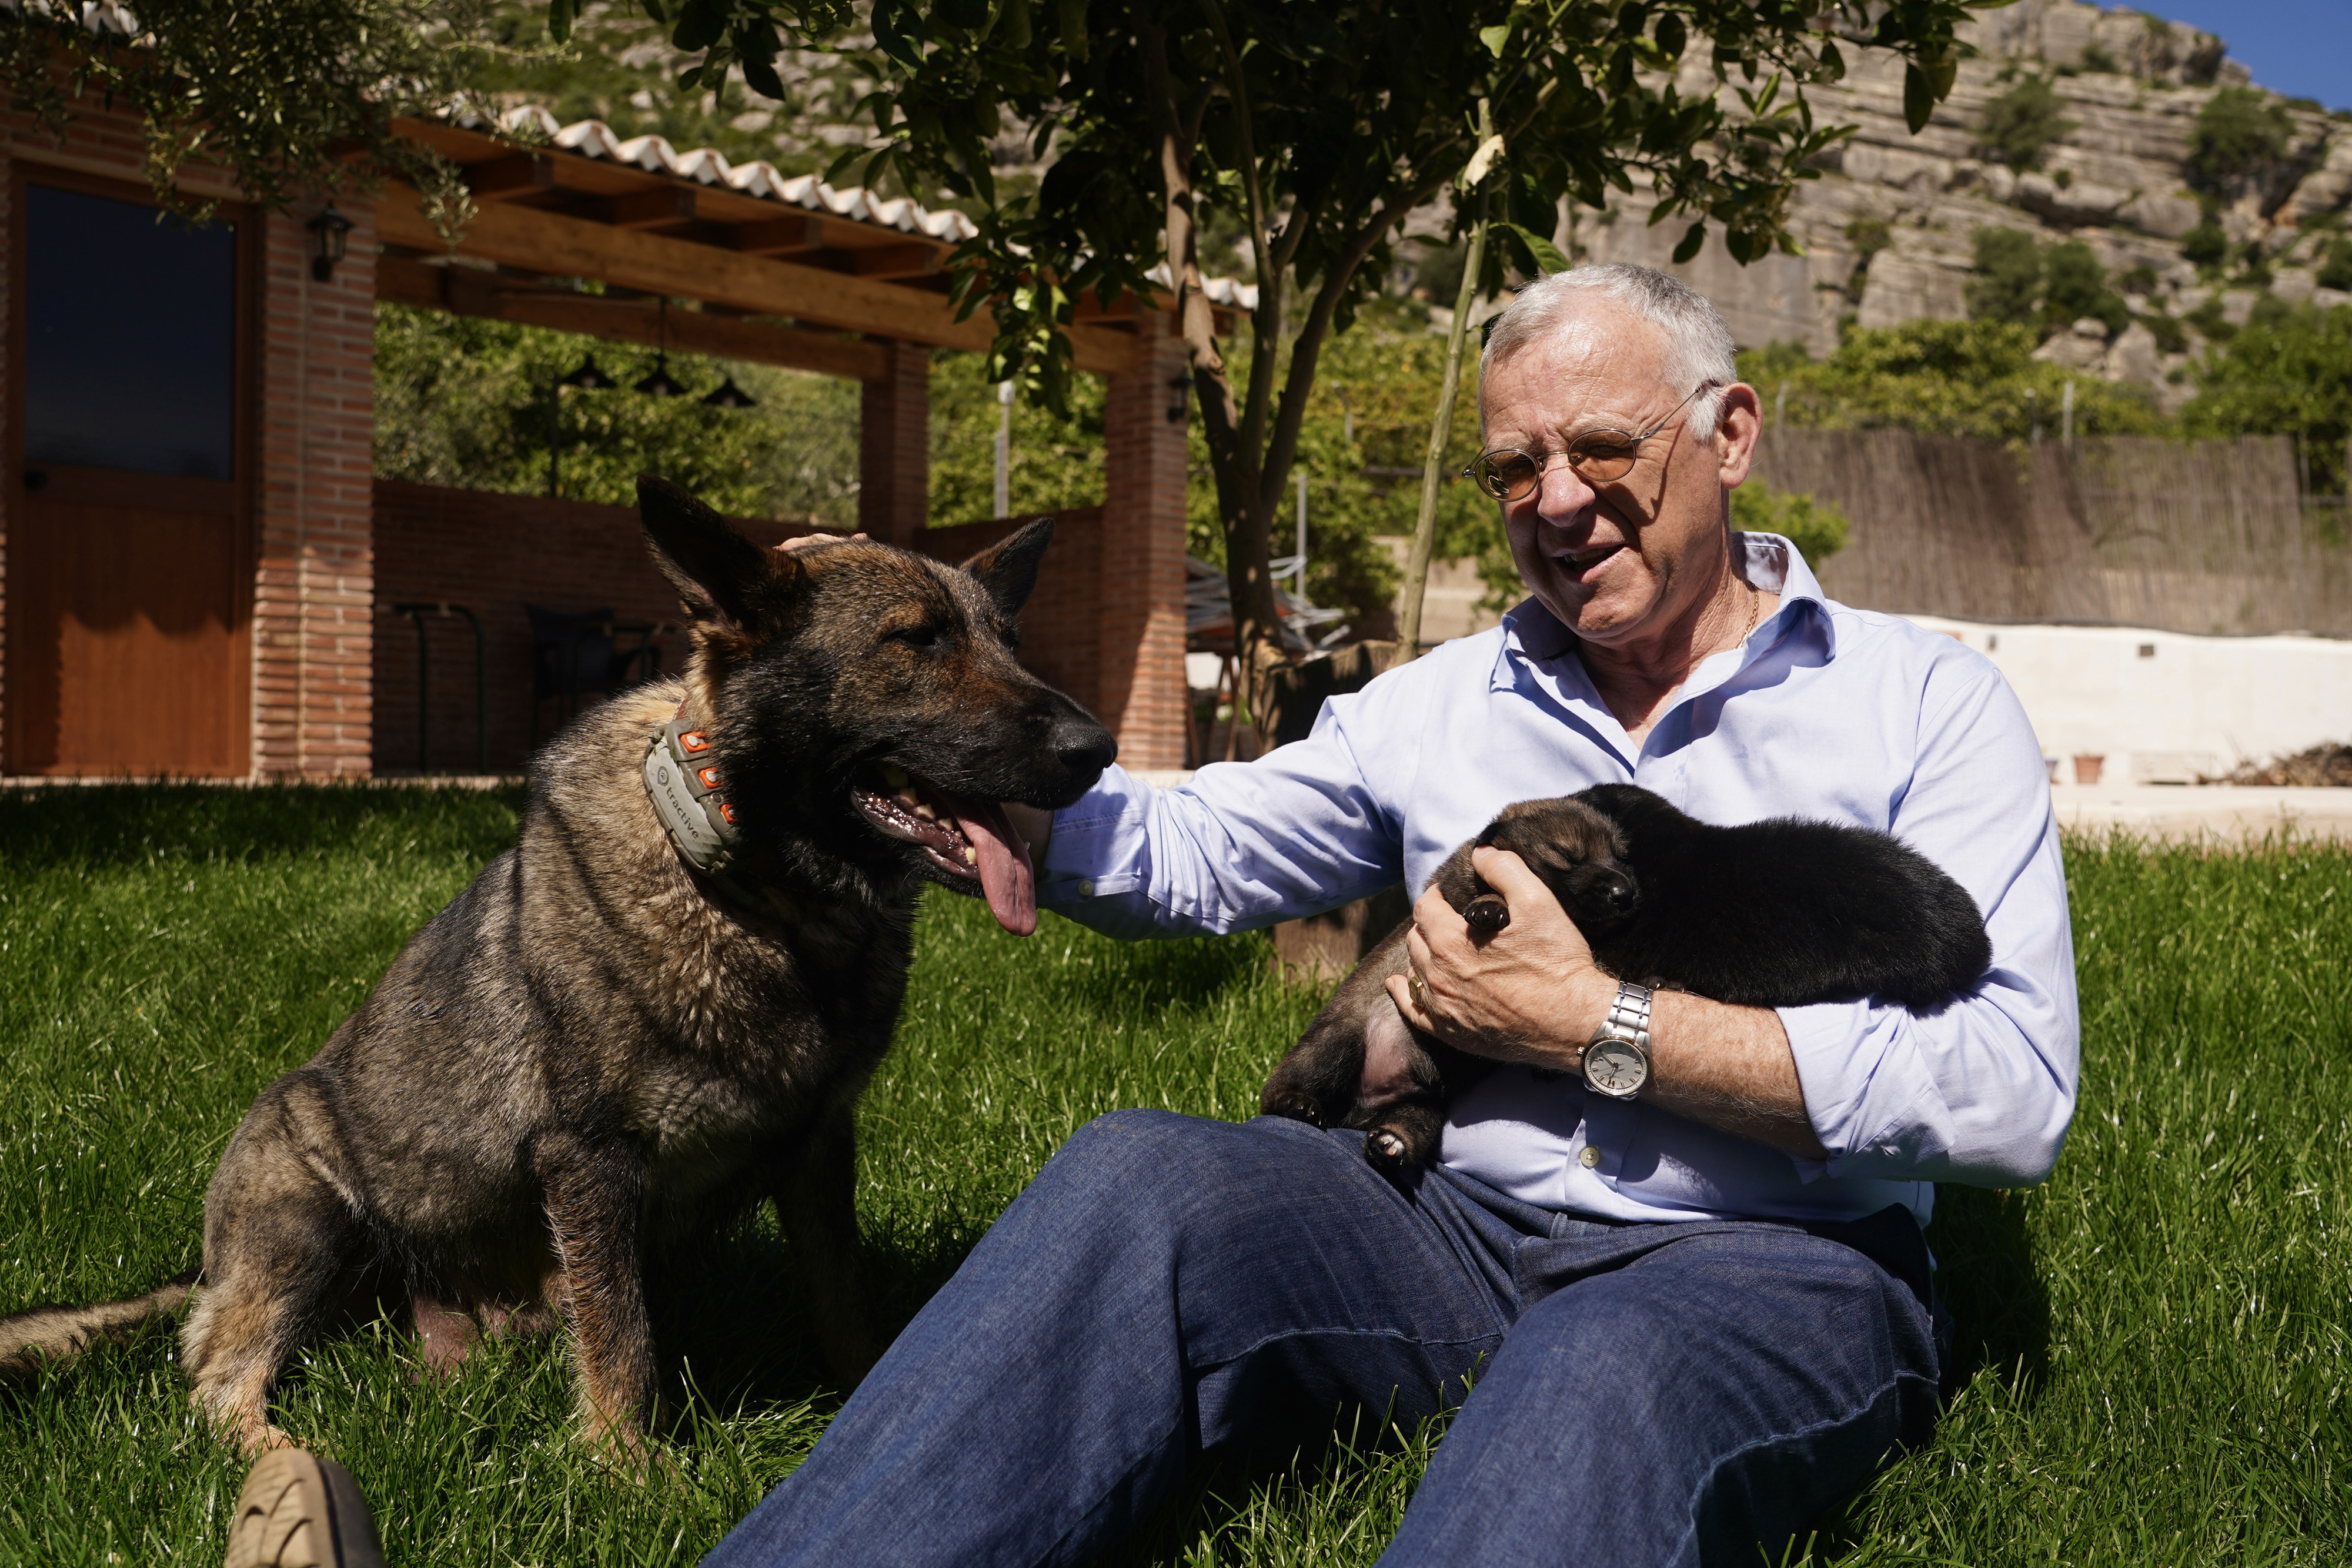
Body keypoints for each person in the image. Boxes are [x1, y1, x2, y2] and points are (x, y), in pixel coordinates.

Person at [221, 263, 2080, 1568]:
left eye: (1605, 447)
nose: (1556, 499)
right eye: (1516, 467)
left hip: (1755, 1266)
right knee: (1136, 1172)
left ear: (1730, 427)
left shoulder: (1925, 700)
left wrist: (1595, 1028)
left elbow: (2012, 1094)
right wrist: (833, 767)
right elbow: (1191, 850)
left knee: (1602, 1382)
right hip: (1433, 1226)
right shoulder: (1449, 701)